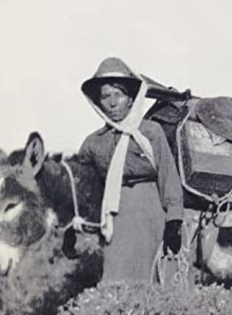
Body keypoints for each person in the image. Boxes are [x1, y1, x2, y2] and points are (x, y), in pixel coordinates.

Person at [78, 57, 184, 282]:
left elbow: (168, 177)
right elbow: (83, 190)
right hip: (115, 220)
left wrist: (174, 221)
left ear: (130, 100)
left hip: (150, 214)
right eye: (106, 96)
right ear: (98, 102)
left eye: (119, 94)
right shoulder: (93, 143)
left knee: (155, 279)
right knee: (116, 280)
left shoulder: (151, 132)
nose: (113, 103)